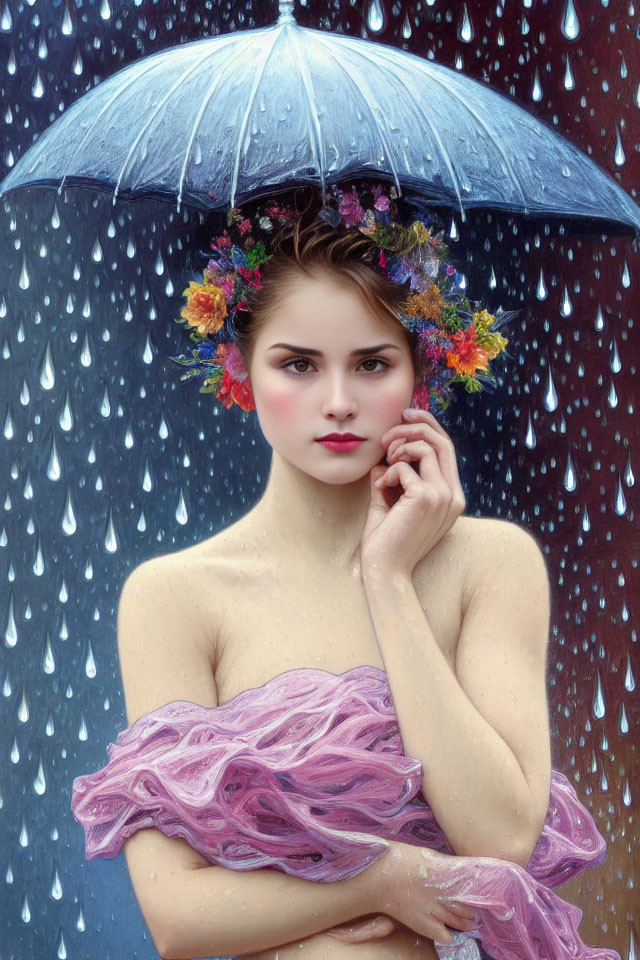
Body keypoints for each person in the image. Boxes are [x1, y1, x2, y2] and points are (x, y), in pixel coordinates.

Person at [71, 182, 617, 960]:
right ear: (240, 366)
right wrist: (381, 878)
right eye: (297, 364)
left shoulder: (492, 565)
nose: (337, 402)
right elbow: (177, 916)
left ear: (420, 373)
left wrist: (388, 580)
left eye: (371, 364)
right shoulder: (173, 597)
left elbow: (500, 840)